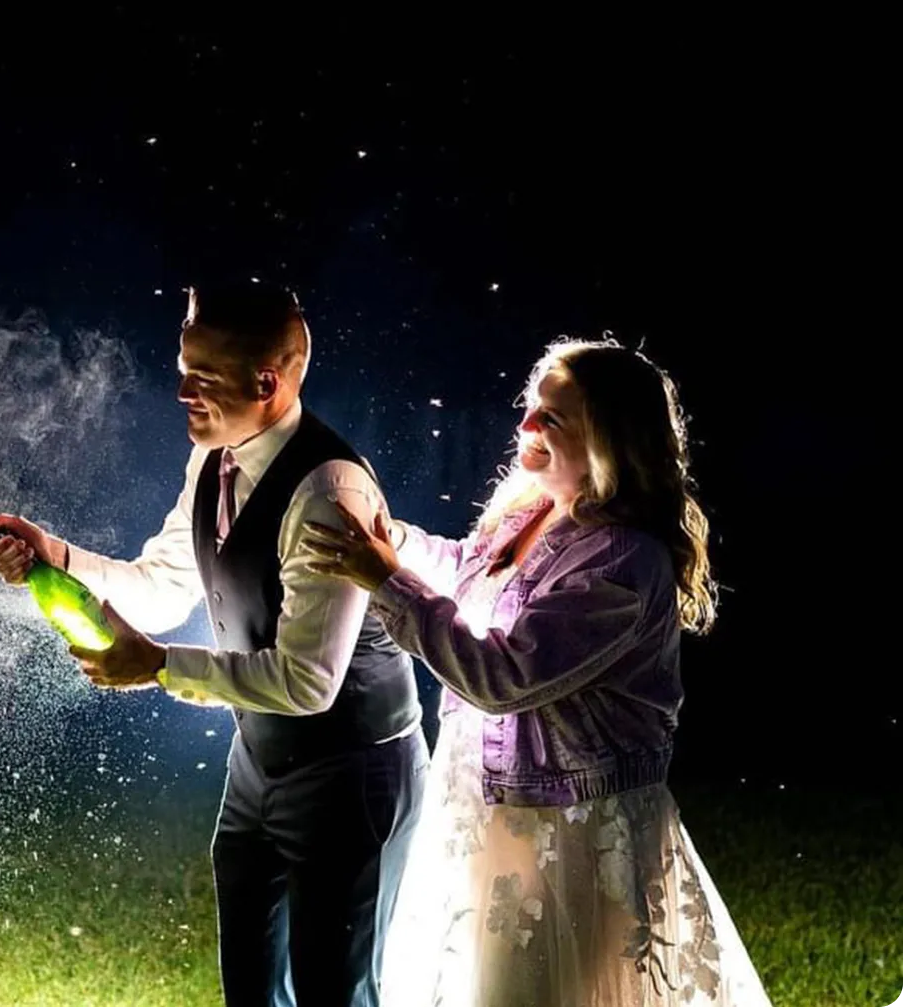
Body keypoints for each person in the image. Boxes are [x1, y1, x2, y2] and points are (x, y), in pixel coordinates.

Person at [0, 281, 428, 1007]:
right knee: (250, 987)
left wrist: (157, 667)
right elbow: (161, 584)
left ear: (267, 381)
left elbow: (308, 683)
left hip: (353, 775)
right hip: (259, 762)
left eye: (204, 377)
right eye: (182, 367)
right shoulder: (216, 457)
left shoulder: (330, 493)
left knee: (335, 992)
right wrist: (53, 557)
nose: (182, 390)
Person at [303, 339, 771, 1006]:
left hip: (571, 828)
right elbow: (467, 574)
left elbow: (504, 674)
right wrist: (394, 543)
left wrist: (384, 579)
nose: (524, 427)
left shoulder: (621, 562)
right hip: (490, 808)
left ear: (610, 439)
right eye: (530, 409)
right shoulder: (533, 514)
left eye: (551, 418)